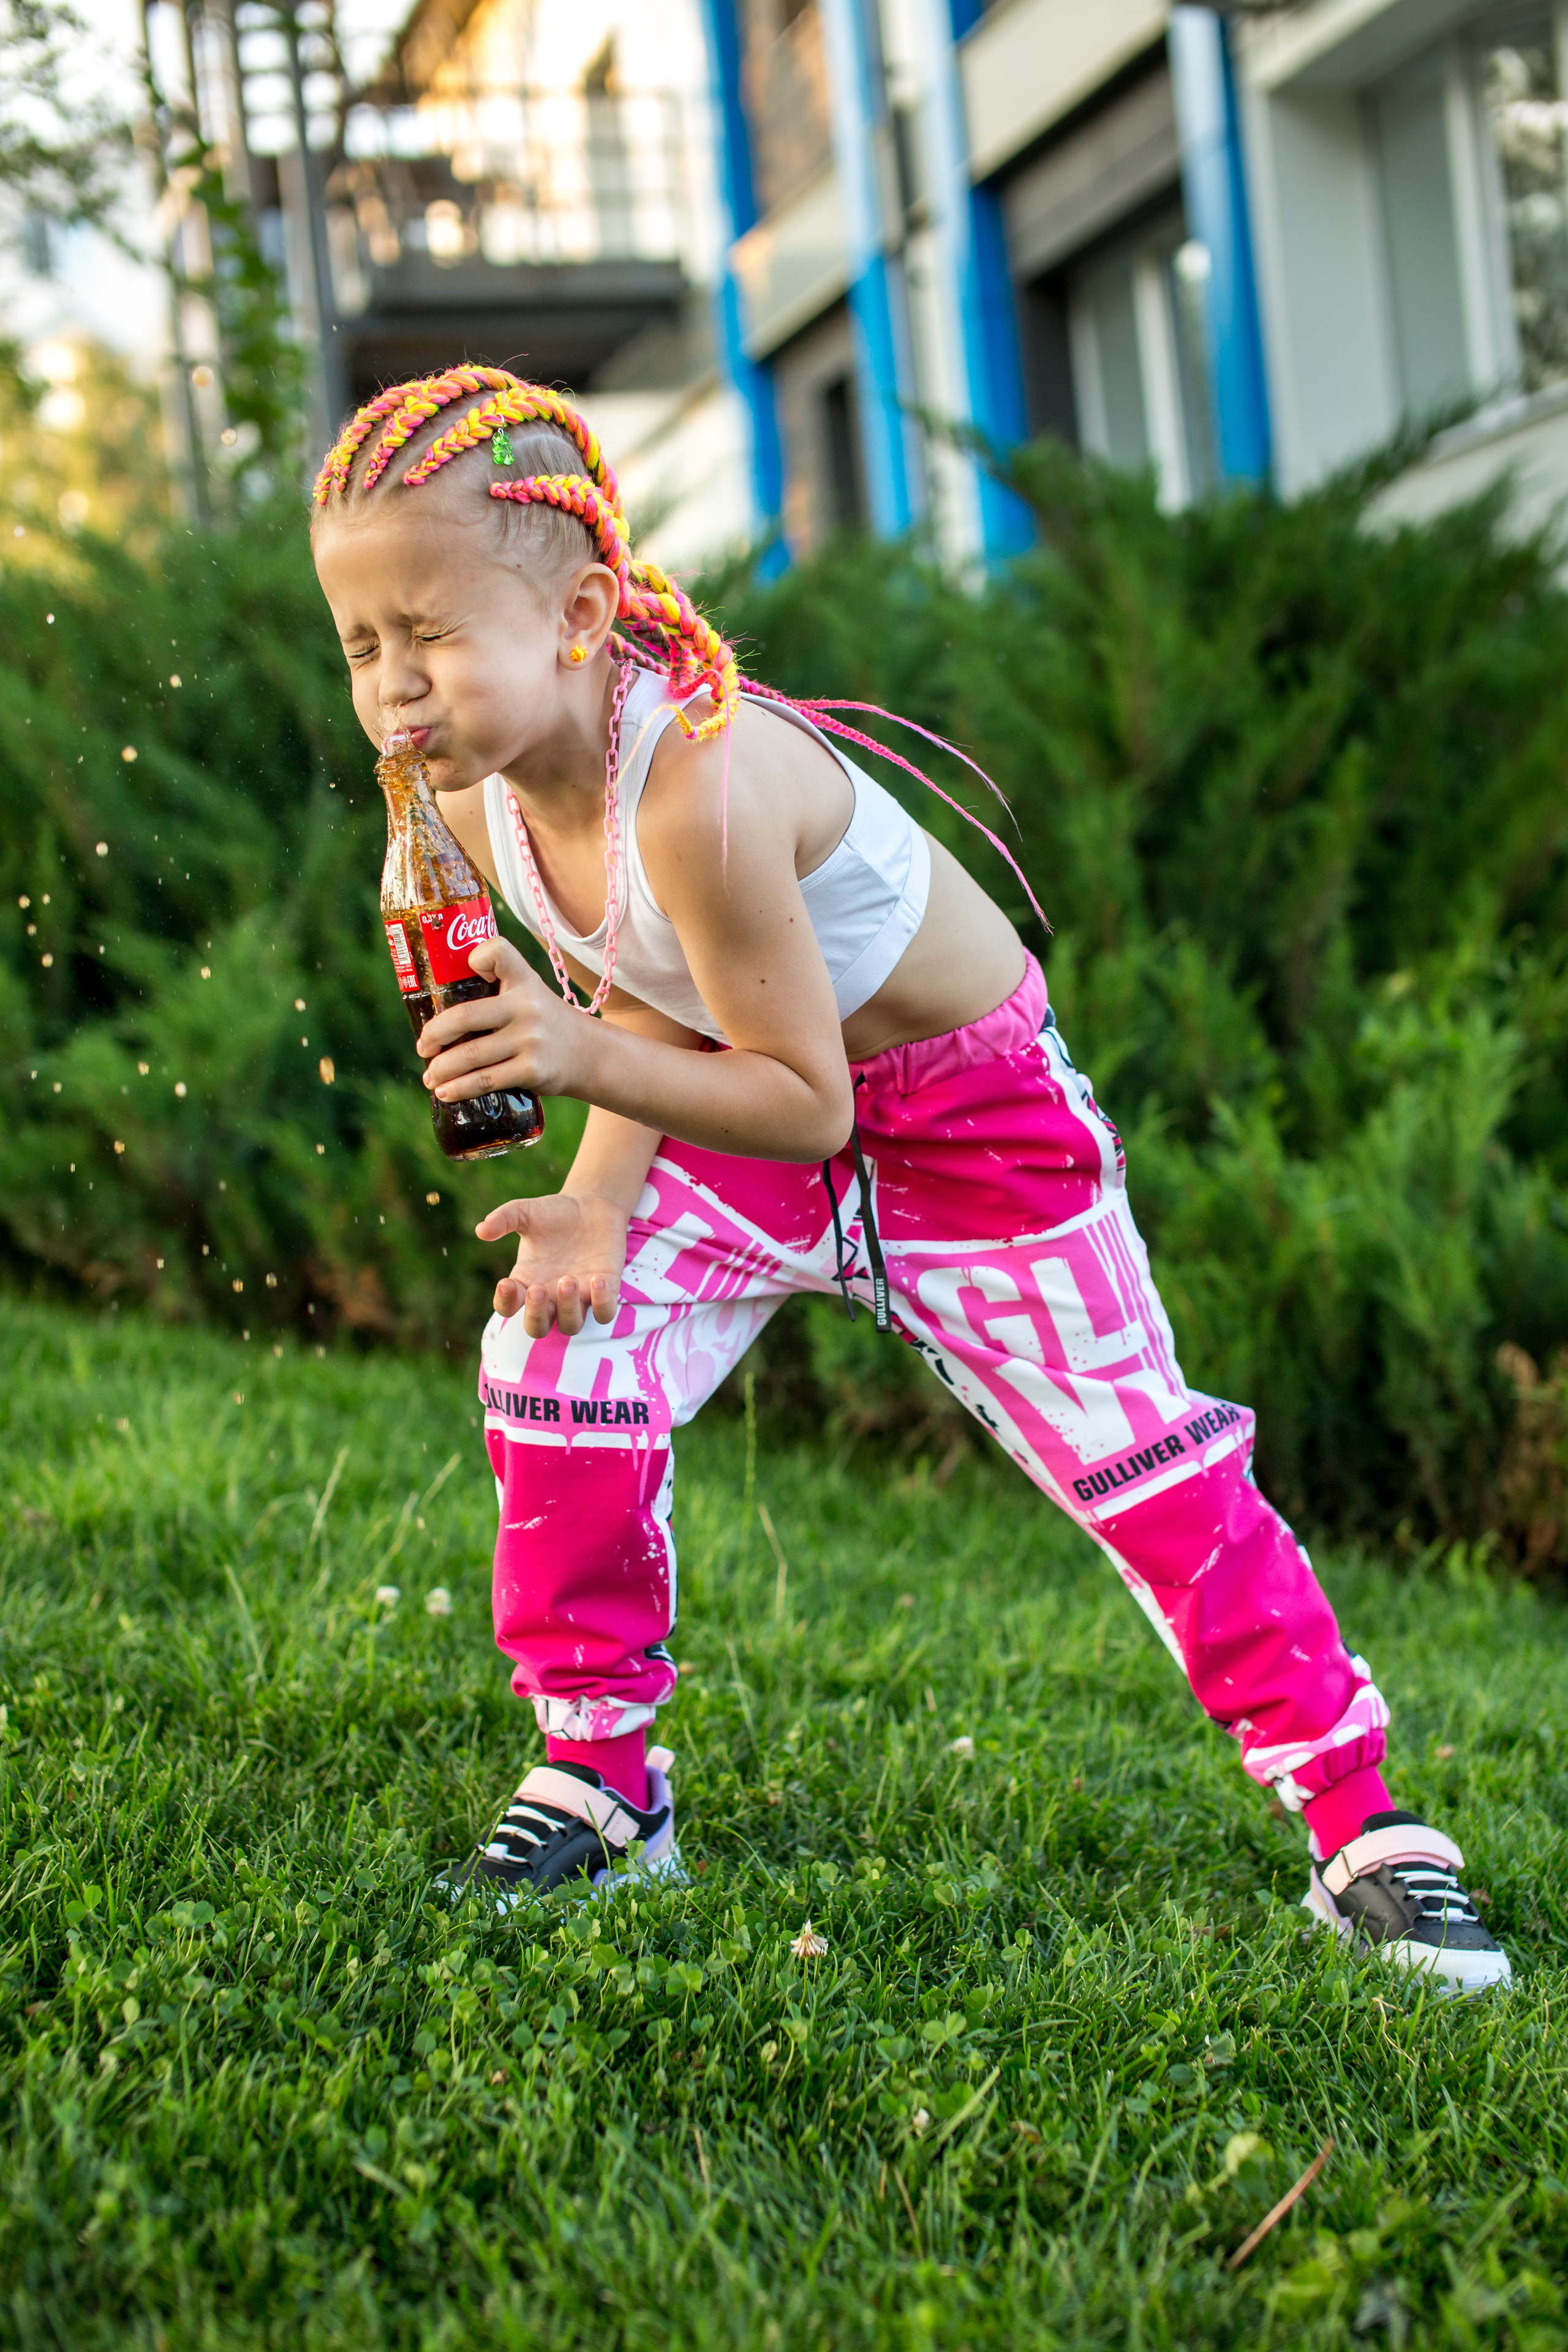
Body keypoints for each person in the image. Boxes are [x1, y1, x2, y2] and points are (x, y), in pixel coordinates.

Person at [311, 366, 1509, 1993]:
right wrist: (596, 1198)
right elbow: (657, 981)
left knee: (1142, 1455)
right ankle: (604, 1780)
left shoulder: (703, 785)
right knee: (553, 1342)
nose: (392, 683)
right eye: (364, 641)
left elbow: (800, 1098)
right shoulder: (469, 792)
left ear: (582, 611)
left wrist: (581, 1064)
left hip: (959, 1126)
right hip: (738, 1103)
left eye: (428, 635)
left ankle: (1369, 1828)